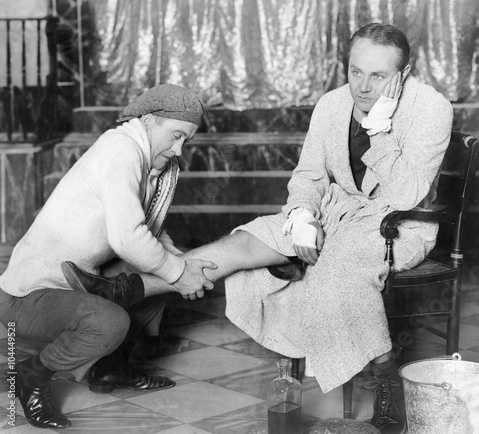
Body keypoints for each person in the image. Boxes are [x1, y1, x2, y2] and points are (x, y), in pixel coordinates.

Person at [63, 23, 453, 432]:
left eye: (378, 76)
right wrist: (301, 216)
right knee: (246, 244)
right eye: (356, 72)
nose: (363, 87)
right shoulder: (332, 105)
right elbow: (308, 177)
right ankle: (124, 290)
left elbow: (406, 193)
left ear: (403, 75)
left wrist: (380, 129)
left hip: (396, 226)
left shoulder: (431, 108)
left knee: (333, 272)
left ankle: (386, 375)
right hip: (335, 213)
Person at [0, 83, 217, 429]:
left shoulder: (157, 162)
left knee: (158, 278)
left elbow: (151, 230)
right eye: (175, 135)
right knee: (111, 320)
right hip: (25, 297)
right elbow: (129, 238)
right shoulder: (122, 151)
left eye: (186, 141)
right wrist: (178, 272)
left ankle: (110, 368)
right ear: (148, 120)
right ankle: (31, 374)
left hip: (78, 278)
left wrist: (182, 265)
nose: (178, 149)